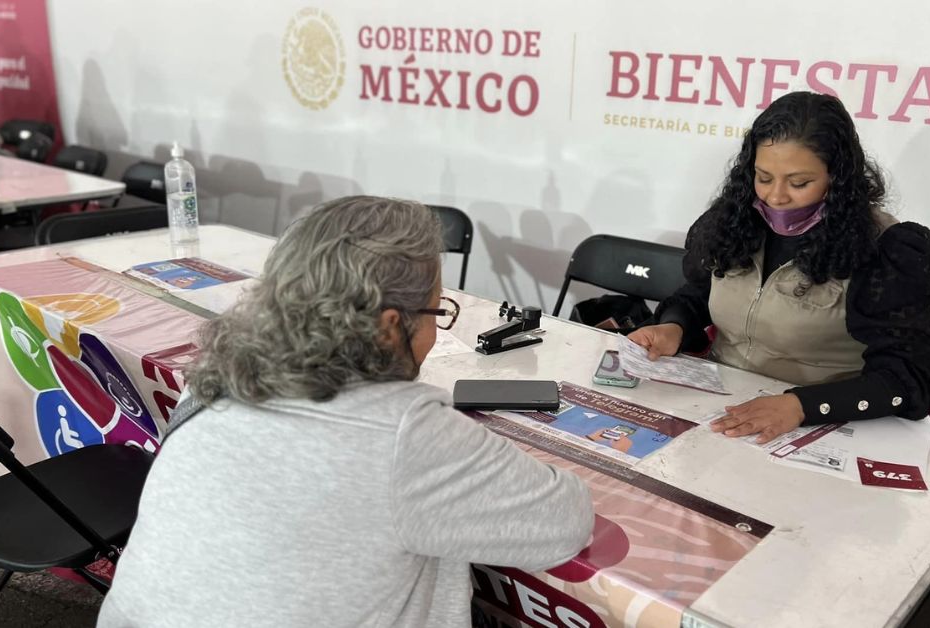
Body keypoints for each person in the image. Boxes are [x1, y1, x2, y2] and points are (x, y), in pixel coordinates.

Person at [99, 196, 594, 627]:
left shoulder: (213, 375)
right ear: (387, 327)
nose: (436, 334)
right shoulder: (405, 433)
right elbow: (565, 521)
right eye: (436, 313)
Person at [629, 91, 930, 444]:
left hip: (821, 422)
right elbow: (699, 292)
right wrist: (673, 326)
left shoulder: (880, 248)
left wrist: (800, 405)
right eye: (763, 177)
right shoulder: (735, 220)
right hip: (723, 405)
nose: (775, 196)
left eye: (799, 184)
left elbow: (912, 377)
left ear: (836, 178)